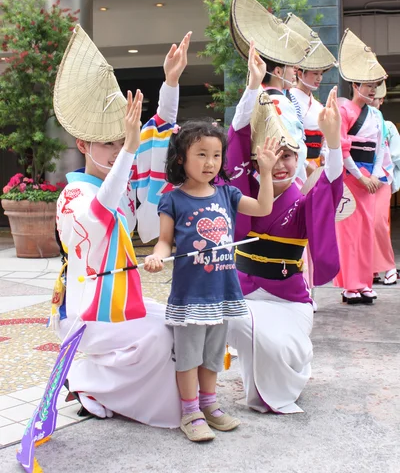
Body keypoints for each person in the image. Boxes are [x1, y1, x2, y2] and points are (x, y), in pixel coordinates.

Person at [51, 24, 192, 428]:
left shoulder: (121, 182)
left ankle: (101, 390)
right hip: (84, 311)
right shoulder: (74, 196)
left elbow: (156, 135)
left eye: (119, 142)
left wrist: (170, 82)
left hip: (112, 304)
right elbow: (100, 209)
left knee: (175, 321)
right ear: (82, 145)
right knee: (160, 335)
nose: (116, 152)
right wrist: (129, 148)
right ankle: (88, 382)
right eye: (107, 144)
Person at [225, 39, 344, 414]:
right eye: (273, 155)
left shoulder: (301, 199)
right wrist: (251, 86)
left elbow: (329, 187)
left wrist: (334, 142)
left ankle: (291, 372)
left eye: (289, 156)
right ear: (258, 155)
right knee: (228, 319)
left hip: (289, 300)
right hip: (245, 294)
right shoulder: (242, 189)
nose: (281, 164)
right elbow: (237, 137)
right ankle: (259, 382)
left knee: (277, 346)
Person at [144, 119, 279, 441]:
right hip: (190, 295)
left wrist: (268, 171)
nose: (210, 163)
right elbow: (164, 241)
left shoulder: (227, 194)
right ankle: (190, 413)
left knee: (213, 355)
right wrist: (156, 257)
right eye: (201, 154)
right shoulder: (173, 199)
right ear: (181, 158)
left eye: (216, 155)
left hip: (222, 292)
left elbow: (263, 207)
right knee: (189, 357)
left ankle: (210, 405)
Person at [230, 0, 309, 182]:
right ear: (278, 72)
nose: (295, 73)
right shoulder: (277, 102)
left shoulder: (263, 97)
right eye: (291, 68)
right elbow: (292, 144)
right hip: (283, 177)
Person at [332, 29, 388, 304]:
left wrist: (375, 175)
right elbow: (342, 148)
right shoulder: (343, 110)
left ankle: (365, 282)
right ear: (354, 85)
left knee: (368, 231)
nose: (372, 90)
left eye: (375, 85)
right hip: (350, 177)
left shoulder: (377, 114)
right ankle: (349, 285)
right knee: (349, 233)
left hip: (370, 179)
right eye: (367, 85)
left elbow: (379, 149)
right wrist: (360, 176)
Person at [286, 13, 338, 174]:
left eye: (321, 74)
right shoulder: (289, 98)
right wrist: (305, 165)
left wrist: (323, 155)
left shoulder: (317, 104)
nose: (319, 78)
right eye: (315, 73)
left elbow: (324, 138)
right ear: (299, 73)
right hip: (298, 163)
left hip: (317, 163)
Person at [371, 81, 397, 285]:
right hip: (359, 178)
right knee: (361, 227)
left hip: (380, 180)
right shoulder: (355, 120)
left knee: (379, 224)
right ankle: (369, 269)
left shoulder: (386, 126)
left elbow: (396, 156)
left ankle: (388, 266)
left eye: (376, 97)